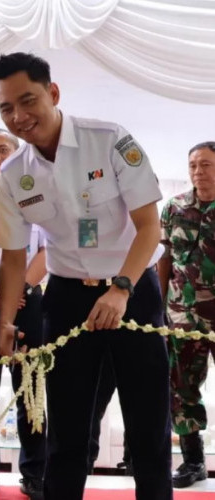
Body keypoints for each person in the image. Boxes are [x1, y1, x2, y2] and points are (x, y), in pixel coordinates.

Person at [0, 52, 172, 500]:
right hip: (67, 300)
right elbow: (14, 256)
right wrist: (8, 320)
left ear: (53, 93)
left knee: (148, 426)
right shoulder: (15, 173)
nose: (18, 116)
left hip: (133, 291)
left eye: (27, 100)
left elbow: (150, 226)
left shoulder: (108, 140)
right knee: (67, 431)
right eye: (6, 108)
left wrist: (121, 289)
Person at [0, 128, 46, 499]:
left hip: (27, 303)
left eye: (3, 149)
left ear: (18, 154)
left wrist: (17, 290)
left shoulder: (37, 193)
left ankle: (35, 473)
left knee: (30, 391)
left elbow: (47, 250)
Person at [159, 141, 215, 489]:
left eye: (206, 164)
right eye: (193, 165)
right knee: (180, 386)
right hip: (182, 313)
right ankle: (193, 461)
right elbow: (164, 258)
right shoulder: (175, 207)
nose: (198, 171)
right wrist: (158, 305)